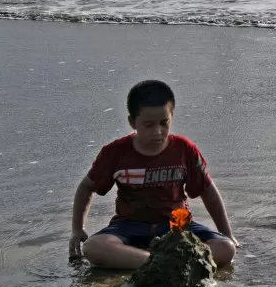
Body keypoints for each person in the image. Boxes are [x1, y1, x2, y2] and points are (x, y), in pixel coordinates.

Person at [69, 80, 238, 269]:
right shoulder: (115, 152)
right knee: (93, 247)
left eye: (164, 123)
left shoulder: (184, 149)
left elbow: (207, 190)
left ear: (172, 116)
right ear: (133, 122)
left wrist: (227, 233)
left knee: (226, 248)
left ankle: (154, 261)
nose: (158, 132)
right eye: (148, 125)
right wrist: (78, 229)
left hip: (177, 226)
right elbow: (87, 187)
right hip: (129, 226)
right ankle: (153, 261)